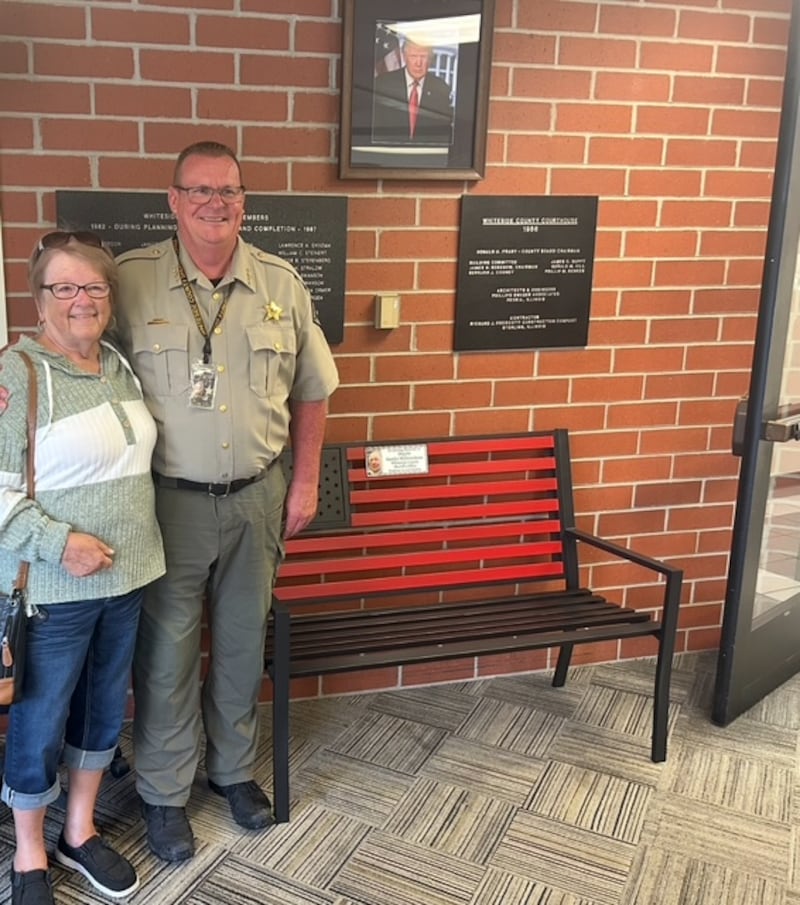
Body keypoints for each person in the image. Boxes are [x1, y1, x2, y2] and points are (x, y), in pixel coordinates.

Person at [113, 141, 339, 862]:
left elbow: (313, 388)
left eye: (230, 191)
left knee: (242, 644)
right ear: (173, 200)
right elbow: (75, 351)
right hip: (166, 503)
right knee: (168, 653)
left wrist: (303, 482)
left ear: (245, 201)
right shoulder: (129, 282)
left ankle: (232, 771)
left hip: (257, 499)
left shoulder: (281, 281)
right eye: (200, 190)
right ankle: (163, 791)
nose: (217, 203)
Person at [0, 232, 166, 905]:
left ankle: (78, 828)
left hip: (126, 581)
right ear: (38, 299)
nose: (80, 300)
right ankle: (31, 849)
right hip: (54, 588)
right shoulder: (19, 372)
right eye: (63, 288)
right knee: (39, 720)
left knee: (101, 710)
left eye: (93, 287)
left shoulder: (120, 364)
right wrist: (60, 540)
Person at [372, 36, 454, 145]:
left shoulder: (441, 88)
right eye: (413, 56)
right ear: (405, 57)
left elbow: (443, 134)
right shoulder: (384, 84)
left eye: (423, 57)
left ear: (430, 59)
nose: (418, 63)